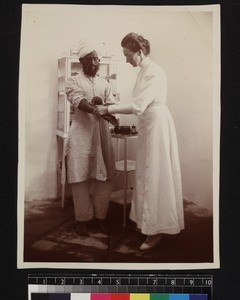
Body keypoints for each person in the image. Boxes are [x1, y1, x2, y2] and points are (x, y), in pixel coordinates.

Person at [96, 32, 185, 250]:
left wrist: (109, 108)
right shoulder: (144, 71)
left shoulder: (154, 71)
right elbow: (139, 104)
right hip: (149, 124)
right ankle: (147, 223)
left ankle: (156, 230)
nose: (126, 59)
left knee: (155, 174)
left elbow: (138, 105)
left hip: (156, 124)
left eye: (128, 55)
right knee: (145, 174)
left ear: (140, 51)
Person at [65, 41, 118, 236]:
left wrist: (110, 114)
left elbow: (111, 104)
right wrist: (97, 108)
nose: (95, 62)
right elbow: (77, 100)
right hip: (81, 133)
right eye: (91, 58)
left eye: (97, 59)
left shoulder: (104, 82)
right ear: (81, 61)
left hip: (102, 134)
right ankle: (83, 219)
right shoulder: (73, 81)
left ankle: (100, 217)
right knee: (79, 176)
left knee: (105, 177)